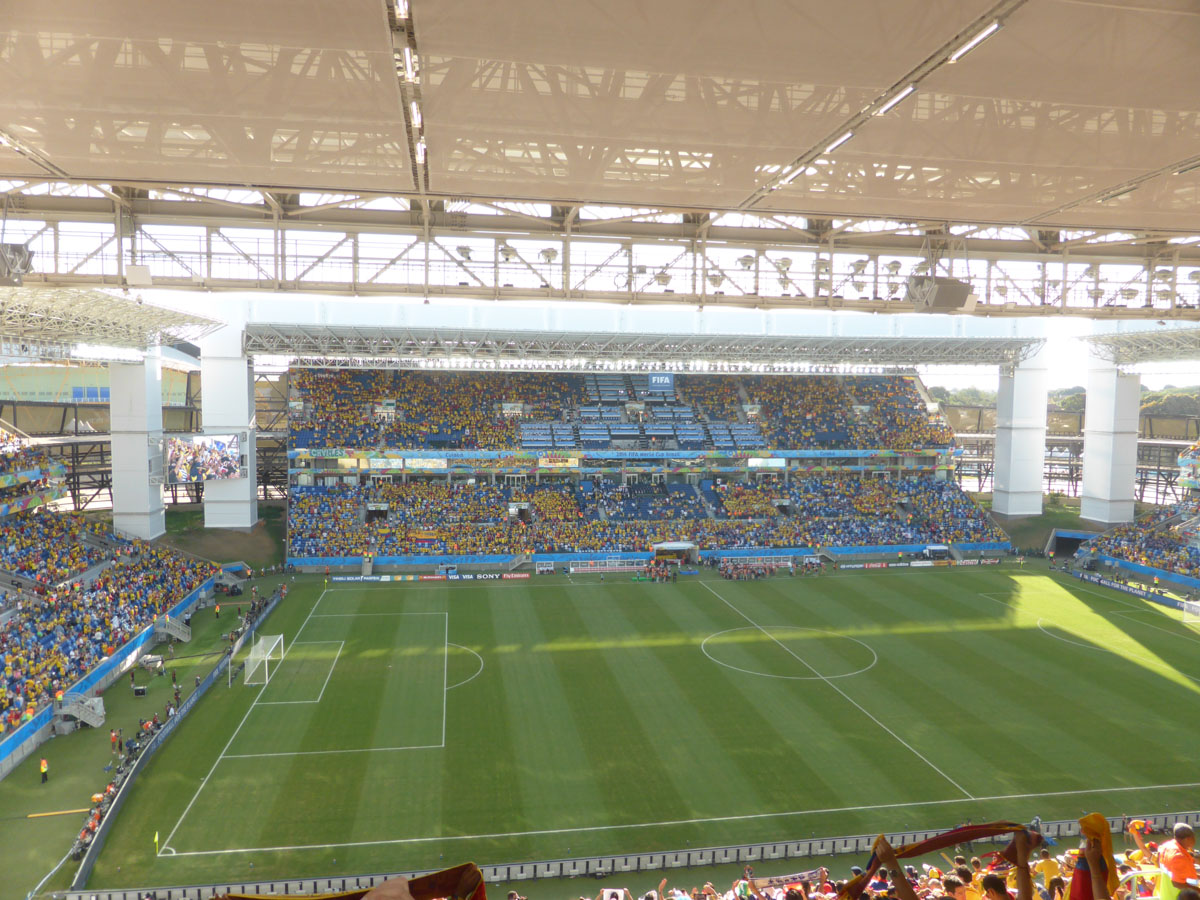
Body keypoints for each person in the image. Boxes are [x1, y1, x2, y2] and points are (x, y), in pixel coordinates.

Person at [1157, 823, 1198, 900]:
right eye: (1193, 837)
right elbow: (1178, 883)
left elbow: (1180, 873)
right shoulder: (1179, 856)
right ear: (1188, 839)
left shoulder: (1166, 846)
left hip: (1166, 895)